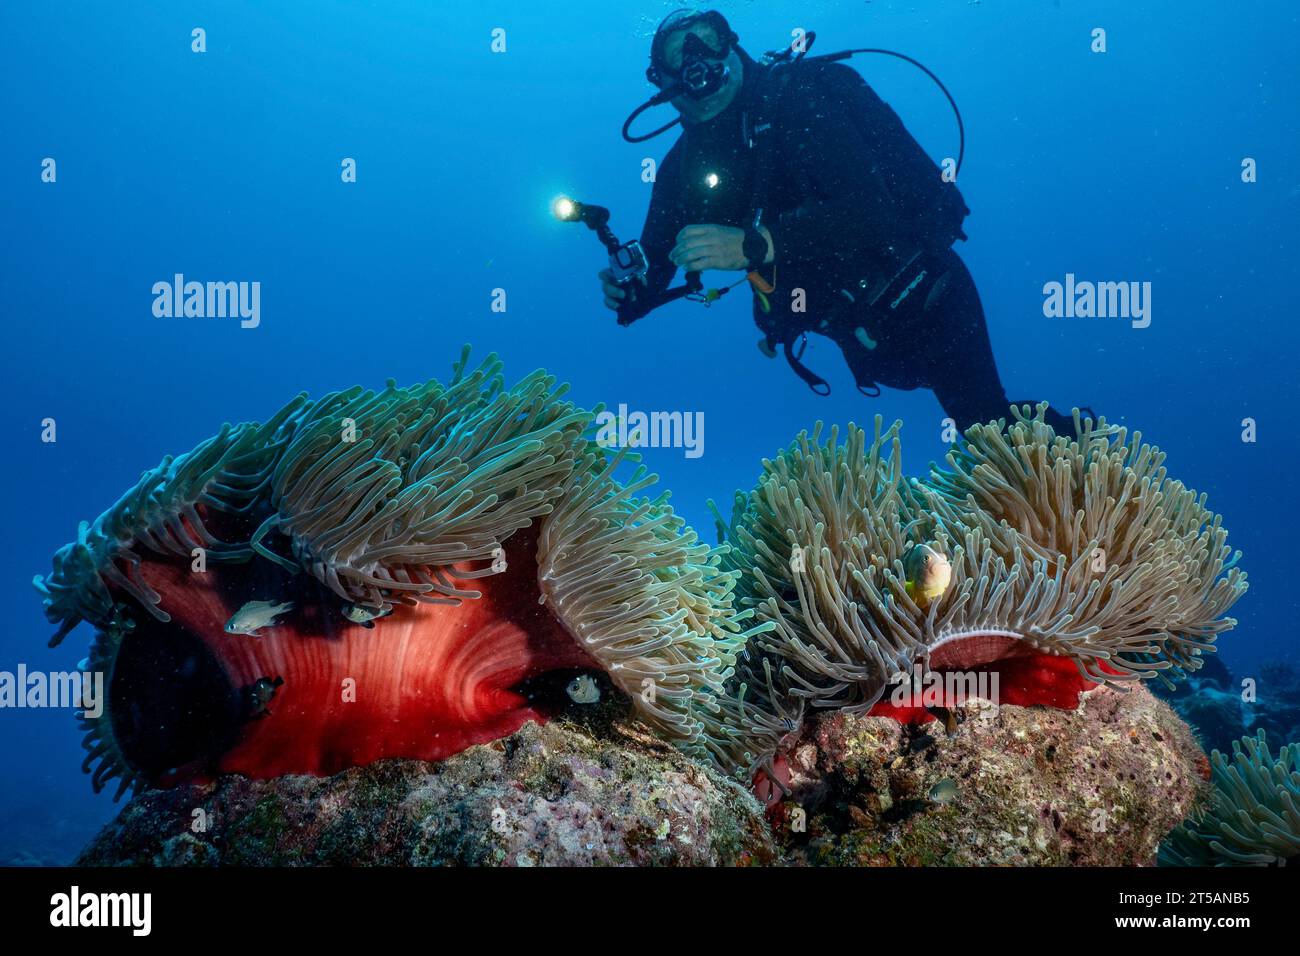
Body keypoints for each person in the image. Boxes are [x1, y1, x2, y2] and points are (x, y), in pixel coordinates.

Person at [600, 8, 1079, 434]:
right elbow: (654, 269)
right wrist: (629, 290)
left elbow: (870, 209)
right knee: (982, 429)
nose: (697, 57)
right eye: (678, 54)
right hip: (865, 340)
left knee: (986, 429)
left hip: (930, 301)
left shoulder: (800, 97)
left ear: (732, 43)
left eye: (709, 38)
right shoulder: (678, 172)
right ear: (661, 82)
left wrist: (753, 244)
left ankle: (1100, 470)